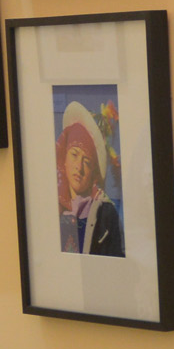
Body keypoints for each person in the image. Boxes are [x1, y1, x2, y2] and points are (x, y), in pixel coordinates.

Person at [56, 103, 123, 256]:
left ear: (94, 170)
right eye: (74, 154)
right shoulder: (49, 205)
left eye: (87, 161)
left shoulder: (106, 213)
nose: (79, 167)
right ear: (64, 157)